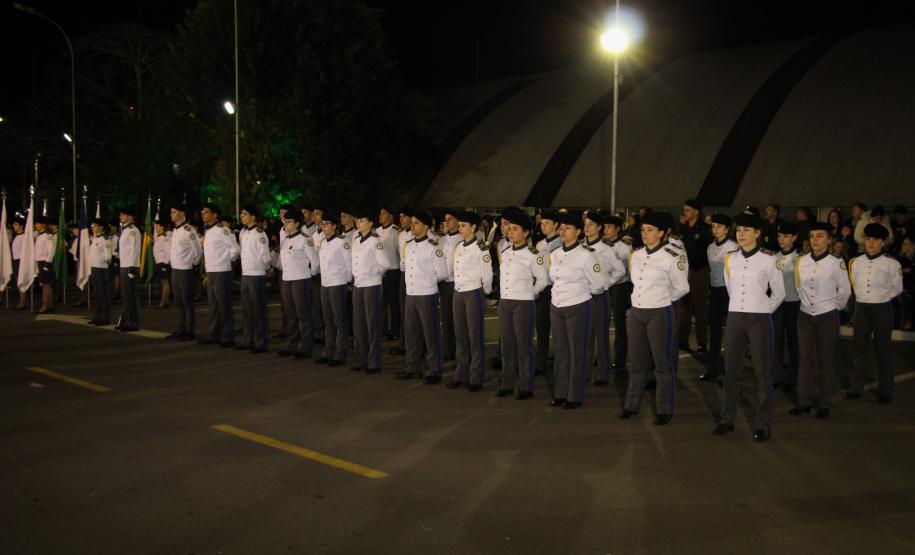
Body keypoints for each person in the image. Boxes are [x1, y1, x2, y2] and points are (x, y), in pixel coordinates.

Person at [712, 213, 785, 442]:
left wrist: (763, 309)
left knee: (762, 372)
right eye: (739, 230)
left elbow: (779, 292)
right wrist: (741, 308)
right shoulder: (730, 258)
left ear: (757, 233)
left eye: (746, 230)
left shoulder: (769, 259)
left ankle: (763, 424)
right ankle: (727, 419)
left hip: (759, 317)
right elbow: (729, 286)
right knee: (731, 369)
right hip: (735, 316)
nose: (741, 234)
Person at [618, 212, 690, 425]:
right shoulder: (637, 255)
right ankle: (631, 406)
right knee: (637, 362)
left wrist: (664, 299)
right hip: (637, 312)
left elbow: (682, 287)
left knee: (661, 363)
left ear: (662, 232)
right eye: (643, 230)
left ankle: (664, 408)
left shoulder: (671, 256)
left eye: (650, 230)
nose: (645, 234)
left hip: (659, 311)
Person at [789, 222, 852, 419]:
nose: (815, 240)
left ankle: (824, 402)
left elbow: (845, 291)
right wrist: (809, 305)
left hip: (827, 315)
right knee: (805, 359)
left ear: (829, 239)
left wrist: (832, 308)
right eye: (812, 236)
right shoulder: (802, 261)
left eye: (820, 236)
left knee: (826, 360)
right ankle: (804, 400)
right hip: (805, 314)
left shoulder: (836, 263)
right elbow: (799, 287)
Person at [549, 212, 611, 408]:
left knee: (577, 352)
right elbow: (553, 279)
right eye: (561, 228)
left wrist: (581, 293)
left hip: (578, 305)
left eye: (568, 228)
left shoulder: (586, 255)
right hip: (557, 305)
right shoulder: (555, 253)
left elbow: (599, 284)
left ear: (578, 231)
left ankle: (574, 395)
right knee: (560, 352)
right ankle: (560, 392)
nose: (563, 231)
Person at [846, 224, 903, 403]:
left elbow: (897, 288)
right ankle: (856, 387)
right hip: (862, 309)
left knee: (883, 351)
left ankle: (886, 391)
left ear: (883, 242)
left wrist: (881, 297)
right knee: (859, 351)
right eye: (868, 239)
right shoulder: (856, 262)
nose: (871, 243)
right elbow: (854, 284)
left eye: (875, 240)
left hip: (881, 309)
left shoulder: (891, 263)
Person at [495, 211, 548, 399]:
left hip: (523, 302)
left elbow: (543, 279)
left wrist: (530, 294)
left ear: (526, 233)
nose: (510, 232)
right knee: (507, 343)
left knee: (523, 344)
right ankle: (507, 383)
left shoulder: (533, 254)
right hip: (505, 301)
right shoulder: (504, 251)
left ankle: (526, 385)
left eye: (515, 229)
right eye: (509, 228)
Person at [397, 209, 449, 383]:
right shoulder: (409, 244)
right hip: (411, 293)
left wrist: (426, 282)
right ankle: (412, 366)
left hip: (426, 293)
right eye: (411, 222)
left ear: (426, 226)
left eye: (416, 223)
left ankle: (435, 369)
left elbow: (441, 272)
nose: (412, 226)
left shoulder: (434, 246)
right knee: (411, 332)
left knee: (430, 333)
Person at [447, 211, 494, 391]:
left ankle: (476, 377)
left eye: (464, 225)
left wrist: (485, 292)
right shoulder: (459, 246)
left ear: (473, 227)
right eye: (460, 225)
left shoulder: (481, 248)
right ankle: (461, 374)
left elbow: (487, 274)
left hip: (473, 292)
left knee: (475, 337)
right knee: (460, 336)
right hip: (459, 293)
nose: (460, 228)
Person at [582, 210, 625, 385]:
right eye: (585, 224)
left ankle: (603, 371)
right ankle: (584, 371)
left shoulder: (607, 249)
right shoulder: (580, 246)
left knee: (601, 334)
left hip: (600, 296)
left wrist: (606, 282)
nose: (587, 228)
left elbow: (621, 271)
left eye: (591, 225)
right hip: (583, 295)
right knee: (585, 335)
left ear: (599, 228)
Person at [350, 209, 391, 372]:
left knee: (372, 324)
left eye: (361, 220)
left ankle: (374, 362)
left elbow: (386, 264)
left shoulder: (376, 241)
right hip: (358, 284)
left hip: (372, 285)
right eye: (357, 221)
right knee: (358, 323)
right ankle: (361, 359)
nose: (358, 223)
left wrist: (374, 274)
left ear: (370, 223)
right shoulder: (356, 239)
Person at [700, 213, 737, 382]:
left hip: (729, 292)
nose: (715, 229)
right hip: (715, 291)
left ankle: (731, 369)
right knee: (714, 330)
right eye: (713, 226)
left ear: (727, 229)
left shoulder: (734, 247)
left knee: (731, 332)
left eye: (719, 226)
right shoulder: (709, 247)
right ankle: (713, 367)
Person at [278, 209, 318, 359]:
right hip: (287, 279)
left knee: (303, 314)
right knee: (290, 315)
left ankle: (305, 347)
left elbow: (314, 261)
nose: (286, 224)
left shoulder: (305, 239)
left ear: (297, 223)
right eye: (285, 221)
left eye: (289, 221)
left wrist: (310, 275)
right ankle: (291, 345)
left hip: (301, 279)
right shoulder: (286, 240)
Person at [199, 203, 240, 348]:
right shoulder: (208, 230)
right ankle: (214, 334)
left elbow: (235, 249)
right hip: (211, 271)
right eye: (203, 211)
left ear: (215, 215)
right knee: (214, 305)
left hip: (221, 271)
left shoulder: (223, 230)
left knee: (224, 305)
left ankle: (228, 336)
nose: (203, 213)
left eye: (206, 211)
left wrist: (225, 262)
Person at [316, 211, 351, 366]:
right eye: (322, 224)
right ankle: (328, 351)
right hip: (325, 283)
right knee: (328, 320)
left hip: (338, 283)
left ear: (334, 226)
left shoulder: (341, 242)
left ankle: (340, 353)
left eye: (326, 224)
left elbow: (348, 264)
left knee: (339, 321)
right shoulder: (323, 242)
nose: (323, 226)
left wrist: (348, 282)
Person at [678, 199, 713, 353]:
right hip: (685, 272)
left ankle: (702, 342)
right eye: (684, 209)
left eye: (688, 210)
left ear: (696, 212)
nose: (685, 212)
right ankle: (682, 340)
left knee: (700, 309)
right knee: (684, 308)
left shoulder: (705, 229)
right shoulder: (683, 229)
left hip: (699, 272)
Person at [237, 205, 272, 353]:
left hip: (257, 274)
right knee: (247, 309)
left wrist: (264, 269)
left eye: (245, 214)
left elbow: (265, 257)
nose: (242, 216)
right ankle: (248, 339)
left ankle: (260, 341)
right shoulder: (243, 233)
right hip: (246, 274)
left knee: (258, 310)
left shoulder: (259, 234)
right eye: (241, 214)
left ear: (253, 217)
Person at [166, 203, 203, 341]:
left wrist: (193, 264)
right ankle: (181, 328)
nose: (171, 214)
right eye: (171, 212)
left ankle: (189, 330)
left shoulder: (189, 230)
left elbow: (198, 251)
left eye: (174, 212)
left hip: (185, 269)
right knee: (178, 301)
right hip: (175, 269)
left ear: (182, 214)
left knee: (187, 302)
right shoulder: (175, 230)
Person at [533, 210, 562, 379]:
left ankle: (559, 360)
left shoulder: (561, 243)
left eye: (547, 223)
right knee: (542, 327)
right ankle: (541, 362)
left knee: (559, 329)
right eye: (542, 223)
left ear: (556, 225)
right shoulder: (539, 244)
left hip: (557, 288)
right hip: (544, 290)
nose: (543, 226)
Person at [773, 221, 801, 390]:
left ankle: (794, 375)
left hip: (794, 303)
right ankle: (776, 374)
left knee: (793, 341)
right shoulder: (773, 258)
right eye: (779, 236)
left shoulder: (800, 258)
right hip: (778, 304)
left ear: (794, 237)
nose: (782, 240)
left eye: (785, 236)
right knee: (775, 341)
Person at [603, 214, 633, 369]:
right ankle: (603, 357)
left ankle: (620, 358)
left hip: (619, 287)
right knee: (602, 323)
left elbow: (624, 271)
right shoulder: (601, 244)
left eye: (609, 227)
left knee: (620, 324)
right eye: (605, 226)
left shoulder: (624, 247)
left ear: (618, 229)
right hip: (604, 287)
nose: (606, 230)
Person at [438, 209, 462, 360]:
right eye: (445, 219)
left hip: (457, 282)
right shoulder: (441, 241)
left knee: (459, 320)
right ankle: (448, 350)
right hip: (444, 283)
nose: (447, 222)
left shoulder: (463, 238)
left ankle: (461, 351)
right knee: (446, 318)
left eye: (450, 219)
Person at [390, 208, 414, 355]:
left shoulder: (421, 235)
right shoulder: (399, 235)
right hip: (403, 274)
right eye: (401, 217)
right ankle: (403, 344)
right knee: (403, 310)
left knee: (413, 314)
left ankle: (416, 345)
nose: (402, 220)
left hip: (416, 277)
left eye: (405, 217)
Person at [376, 206, 401, 341]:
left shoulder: (396, 231)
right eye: (380, 213)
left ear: (391, 216)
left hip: (393, 269)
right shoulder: (376, 231)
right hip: (380, 271)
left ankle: (395, 329)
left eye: (384, 213)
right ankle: (383, 329)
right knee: (381, 302)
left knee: (393, 302)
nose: (381, 216)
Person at [116, 207, 141, 331]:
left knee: (131, 296)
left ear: (130, 216)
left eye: (122, 214)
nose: (120, 216)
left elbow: (134, 250)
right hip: (124, 265)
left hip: (130, 266)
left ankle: (133, 323)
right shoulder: (125, 230)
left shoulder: (133, 230)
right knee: (126, 296)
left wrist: (132, 268)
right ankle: (128, 321)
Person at [87, 218, 112, 325]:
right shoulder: (94, 239)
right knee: (96, 293)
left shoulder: (105, 239)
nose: (93, 227)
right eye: (92, 225)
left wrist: (103, 263)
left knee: (103, 293)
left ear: (101, 227)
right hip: (94, 267)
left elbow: (108, 257)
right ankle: (97, 316)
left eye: (95, 225)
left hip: (102, 268)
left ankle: (105, 317)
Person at [33, 215, 55, 314]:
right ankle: (49, 305)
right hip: (40, 261)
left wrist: (47, 263)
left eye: (38, 223)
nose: (36, 225)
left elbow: (51, 251)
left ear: (43, 225)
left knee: (46, 285)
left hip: (45, 262)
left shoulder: (48, 235)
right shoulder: (39, 235)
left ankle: (45, 306)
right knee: (45, 284)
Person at [153, 220, 172, 309]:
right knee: (163, 282)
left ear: (162, 227)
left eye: (157, 226)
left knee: (165, 283)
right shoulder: (159, 237)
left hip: (163, 263)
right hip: (159, 263)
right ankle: (166, 301)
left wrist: (165, 264)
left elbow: (168, 252)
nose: (155, 228)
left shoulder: (165, 238)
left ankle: (162, 303)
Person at [11, 216, 27, 310]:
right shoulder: (16, 236)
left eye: (16, 224)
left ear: (21, 226)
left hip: (21, 260)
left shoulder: (24, 237)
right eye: (13, 224)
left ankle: (22, 302)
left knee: (21, 282)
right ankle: (21, 301)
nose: (14, 226)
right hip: (16, 260)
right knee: (18, 281)